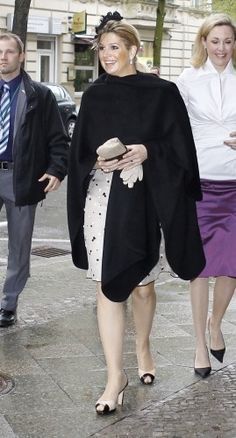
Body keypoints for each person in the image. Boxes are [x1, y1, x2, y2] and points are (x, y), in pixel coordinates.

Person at [67, 11, 205, 414]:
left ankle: (143, 347)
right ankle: (115, 375)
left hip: (146, 199)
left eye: (114, 48)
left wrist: (148, 151)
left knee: (143, 286)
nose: (107, 55)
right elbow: (81, 153)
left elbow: (182, 151)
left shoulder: (162, 92)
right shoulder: (93, 95)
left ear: (133, 49)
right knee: (107, 284)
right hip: (102, 200)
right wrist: (98, 161)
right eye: (102, 49)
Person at [176, 13, 236, 378]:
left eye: (228, 41)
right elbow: (170, 126)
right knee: (198, 269)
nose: (222, 48)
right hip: (200, 184)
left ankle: (216, 323)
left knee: (231, 265)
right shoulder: (186, 80)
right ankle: (199, 342)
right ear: (203, 42)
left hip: (235, 184)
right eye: (215, 41)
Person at [0, 33, 68, 327]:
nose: (3, 57)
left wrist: (56, 169)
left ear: (22, 56)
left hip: (21, 176)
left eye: (9, 52)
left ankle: (8, 303)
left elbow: (58, 138)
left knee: (19, 245)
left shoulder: (40, 95)